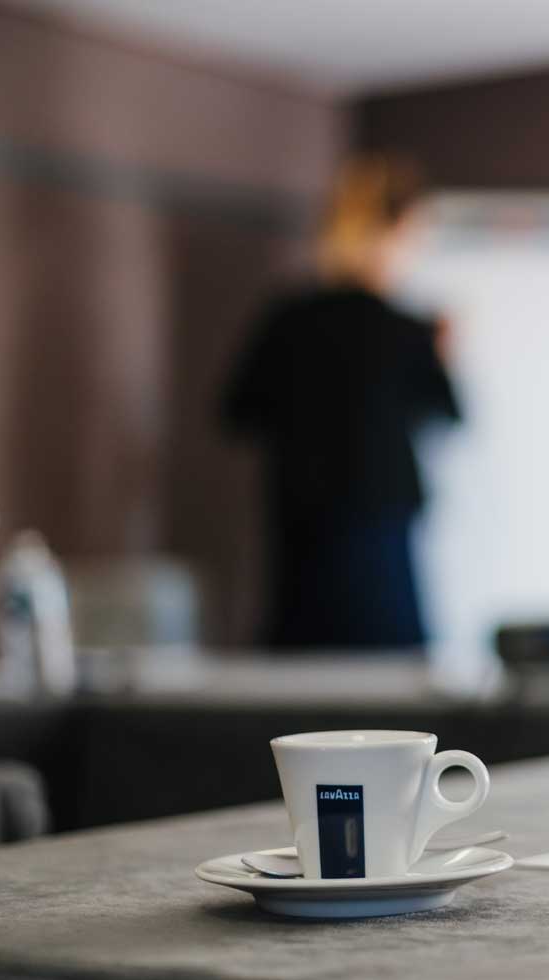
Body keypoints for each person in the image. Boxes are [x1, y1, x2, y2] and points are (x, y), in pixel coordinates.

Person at [221, 154, 459, 649]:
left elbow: (237, 413)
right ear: (391, 233)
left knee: (303, 675)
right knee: (389, 678)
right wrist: (445, 353)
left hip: (302, 535)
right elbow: (450, 414)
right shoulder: (407, 329)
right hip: (380, 539)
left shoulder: (287, 320)